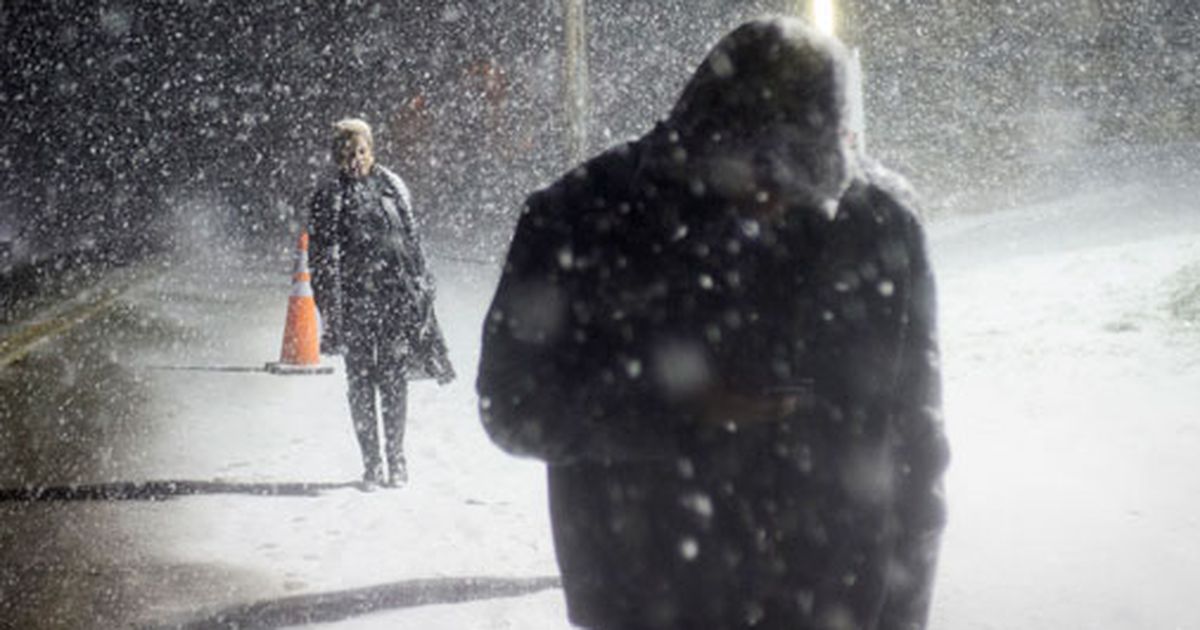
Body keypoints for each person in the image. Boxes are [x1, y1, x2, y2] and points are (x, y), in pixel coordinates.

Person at [477, 17, 948, 630]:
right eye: (761, 177)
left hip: (834, 603)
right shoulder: (580, 218)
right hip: (649, 597)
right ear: (708, 138)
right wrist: (679, 407)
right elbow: (512, 407)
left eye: (804, 190)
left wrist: (903, 615)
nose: (775, 205)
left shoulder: (878, 225)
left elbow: (917, 451)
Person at [308, 118, 455, 490]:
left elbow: (412, 240)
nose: (355, 159)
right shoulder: (329, 195)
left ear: (371, 150)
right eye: (347, 153)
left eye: (361, 151)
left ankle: (397, 459)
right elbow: (322, 259)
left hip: (394, 299)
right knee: (361, 382)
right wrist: (330, 306)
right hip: (355, 303)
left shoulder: (392, 186)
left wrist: (422, 286)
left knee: (393, 379)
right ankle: (371, 464)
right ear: (336, 156)